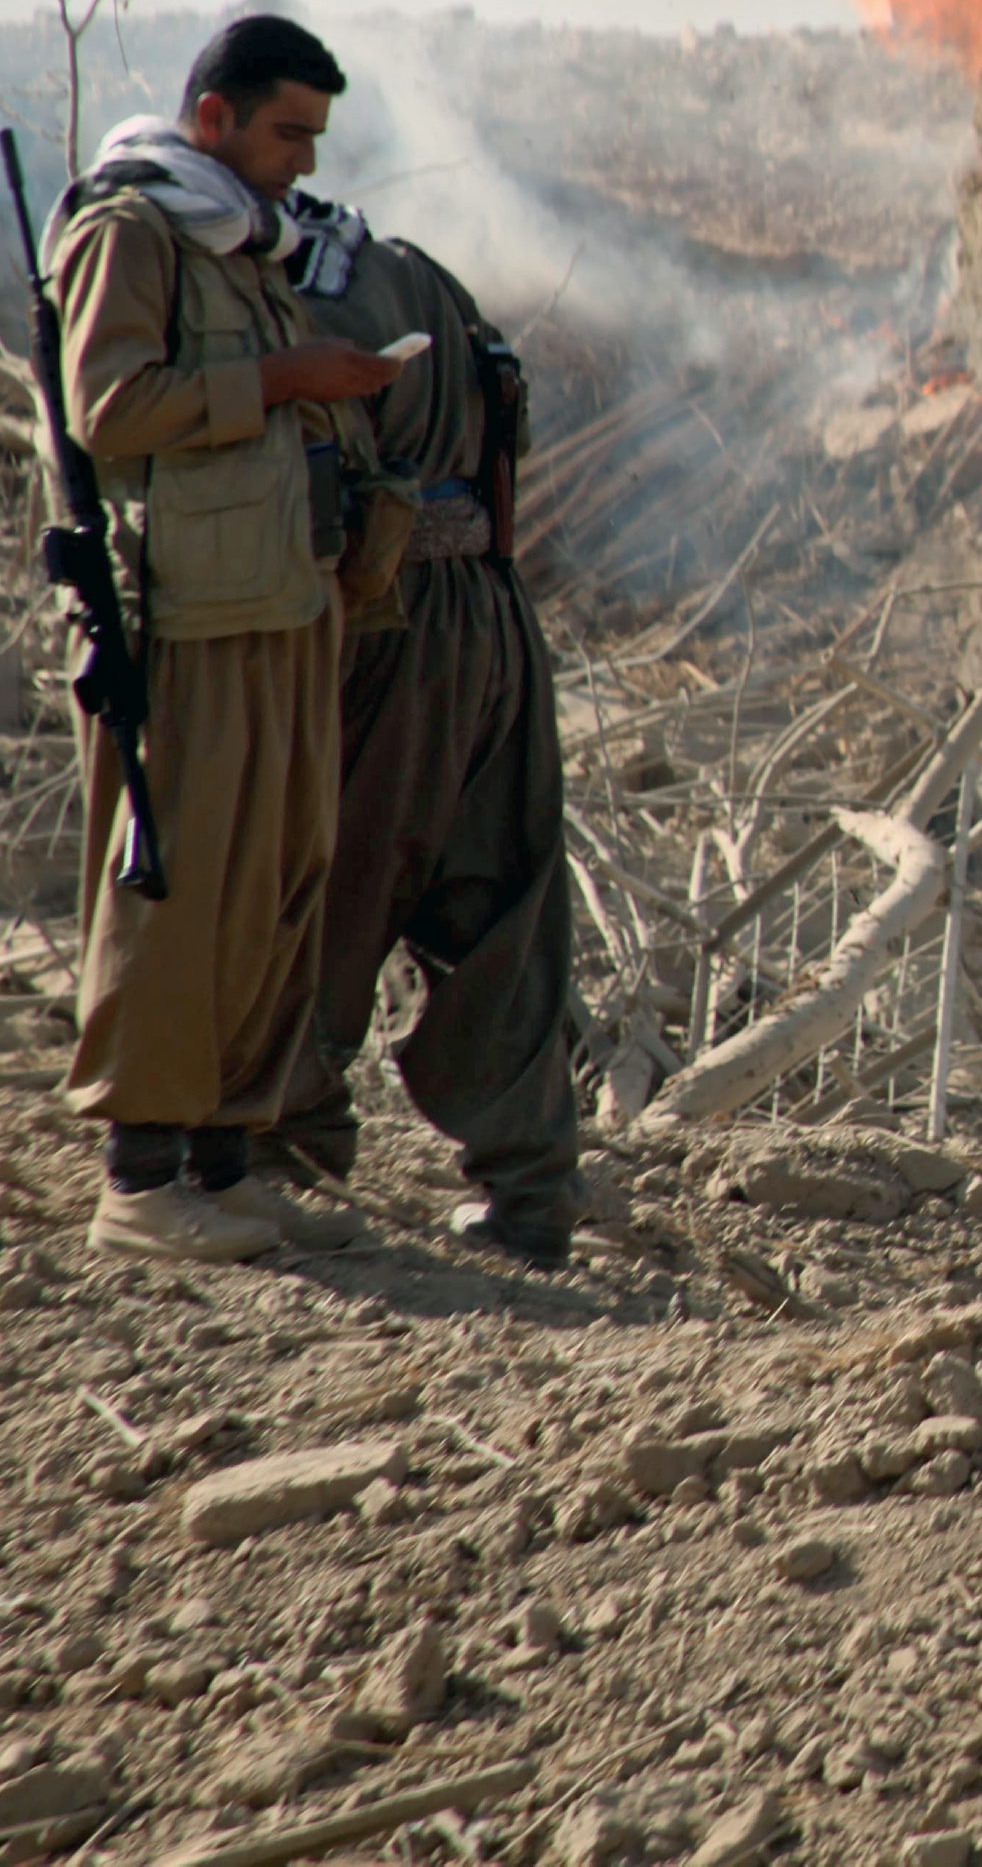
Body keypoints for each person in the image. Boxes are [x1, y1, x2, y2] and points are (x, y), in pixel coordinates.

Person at [46, 13, 401, 1265]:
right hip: (187, 622)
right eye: (286, 129)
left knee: (272, 885)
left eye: (313, 134)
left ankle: (220, 1161)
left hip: (282, 605)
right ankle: (141, 1176)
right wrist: (292, 380)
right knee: (177, 887)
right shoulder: (130, 230)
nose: (303, 159)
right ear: (215, 119)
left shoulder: (239, 240)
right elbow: (113, 408)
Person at [259, 199, 587, 1265]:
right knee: (505, 908)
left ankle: (288, 1145)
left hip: (396, 623)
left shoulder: (312, 291)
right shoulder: (425, 272)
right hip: (500, 616)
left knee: (337, 877)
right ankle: (529, 1189)